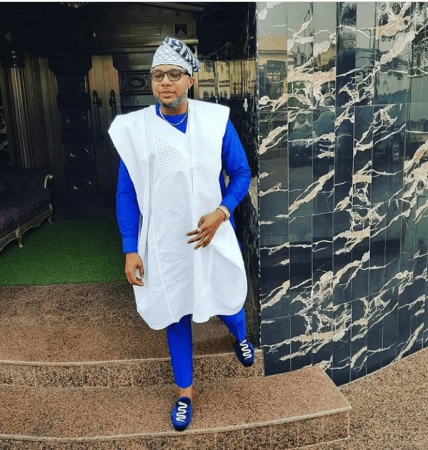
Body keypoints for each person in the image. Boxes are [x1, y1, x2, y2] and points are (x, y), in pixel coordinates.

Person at [108, 36, 254, 432]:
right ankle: (185, 393)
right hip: (164, 242)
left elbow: (241, 173)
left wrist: (222, 212)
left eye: (174, 74)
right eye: (158, 75)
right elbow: (126, 193)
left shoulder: (215, 121)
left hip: (212, 234)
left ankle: (239, 336)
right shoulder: (135, 129)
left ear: (190, 79)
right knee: (175, 312)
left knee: (227, 300)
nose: (165, 83)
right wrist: (130, 248)